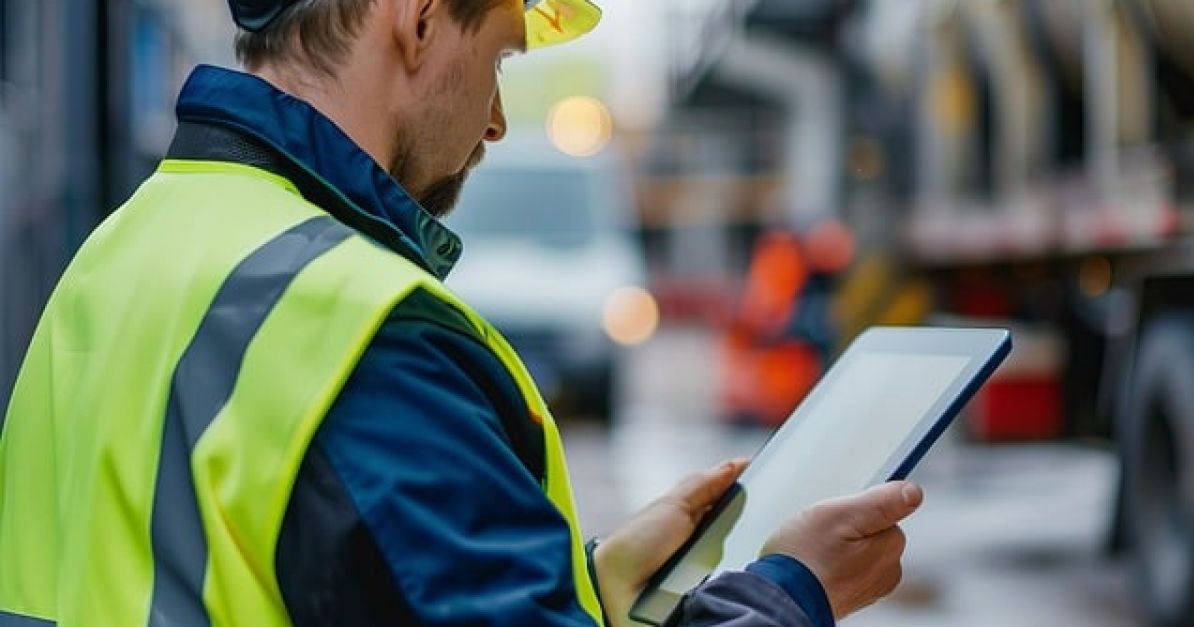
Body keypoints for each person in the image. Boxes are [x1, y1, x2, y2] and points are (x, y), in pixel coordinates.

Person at [0, 1, 923, 625]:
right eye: (501, 59)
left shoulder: (119, 254)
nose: (495, 120)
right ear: (421, 18)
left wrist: (588, 587)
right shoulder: (357, 334)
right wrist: (789, 591)